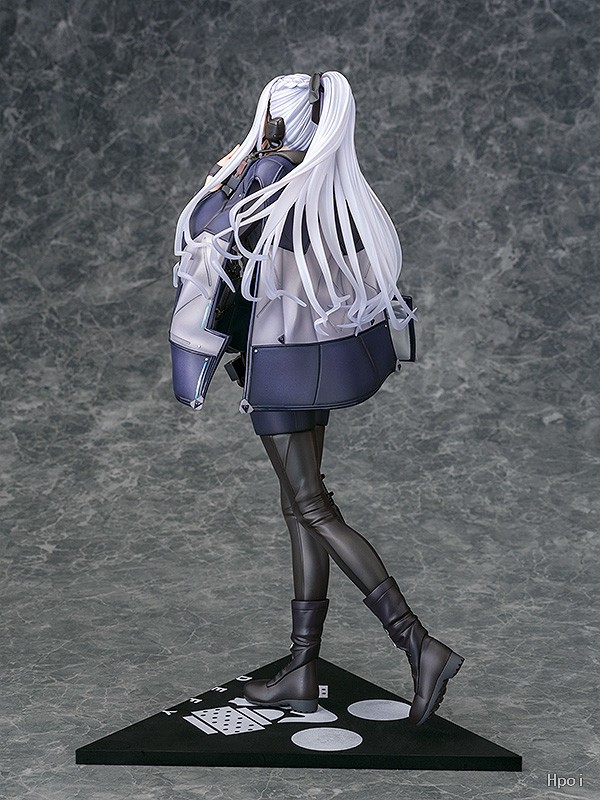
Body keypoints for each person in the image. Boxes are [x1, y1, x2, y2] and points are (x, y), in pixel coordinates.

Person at [171, 71, 463, 726]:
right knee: (300, 508)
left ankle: (419, 644)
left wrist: (227, 172)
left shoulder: (263, 175)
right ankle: (302, 669)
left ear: (275, 120)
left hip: (275, 363)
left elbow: (207, 236)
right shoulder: (321, 183)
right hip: (308, 359)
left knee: (310, 505)